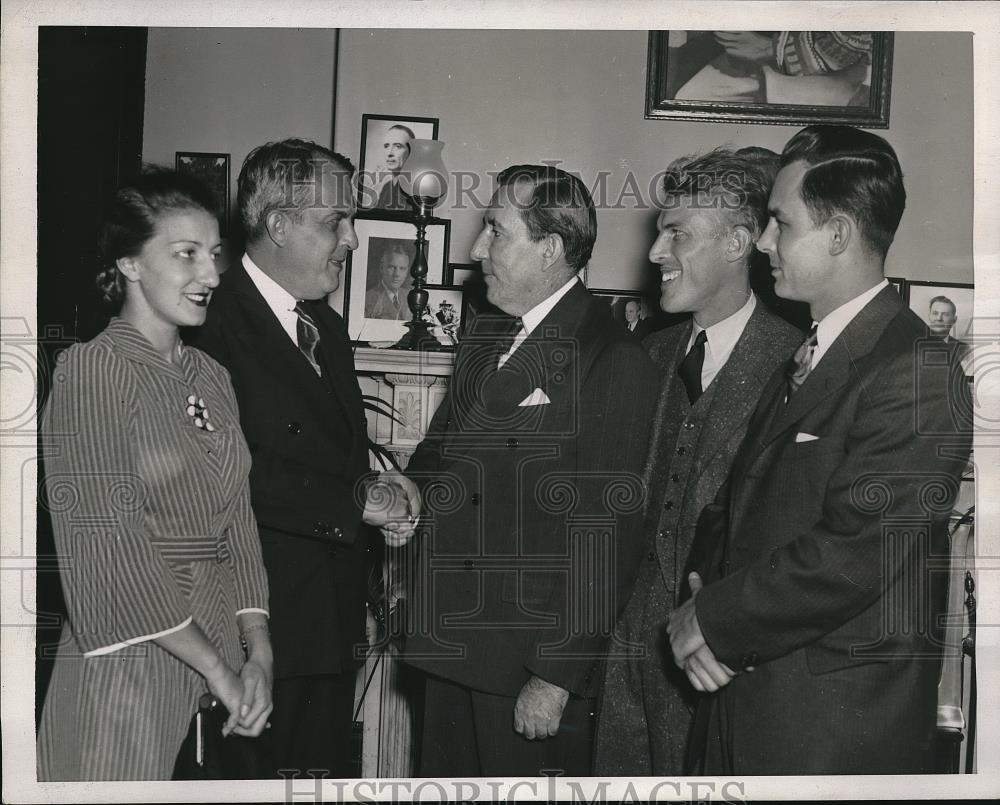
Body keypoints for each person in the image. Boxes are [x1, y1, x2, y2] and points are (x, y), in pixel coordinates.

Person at [667, 125, 972, 774]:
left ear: (836, 235)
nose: (765, 241)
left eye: (780, 222)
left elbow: (852, 553)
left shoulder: (916, 368)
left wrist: (712, 620)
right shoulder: (810, 351)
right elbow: (733, 508)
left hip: (827, 733)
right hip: (745, 704)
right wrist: (698, 600)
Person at [401, 164, 658, 777]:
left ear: (549, 249)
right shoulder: (485, 334)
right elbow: (439, 455)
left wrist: (555, 676)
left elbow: (607, 534)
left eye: (495, 230)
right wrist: (404, 488)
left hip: (525, 672)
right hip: (450, 650)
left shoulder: (614, 360)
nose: (475, 249)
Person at [187, 138, 420, 778]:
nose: (349, 239)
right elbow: (228, 469)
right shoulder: (209, 322)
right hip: (252, 631)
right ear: (278, 224)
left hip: (329, 627)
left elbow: (332, 458)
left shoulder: (326, 328)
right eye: (334, 222)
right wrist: (357, 502)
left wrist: (382, 487)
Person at [38, 169, 272, 780]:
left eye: (214, 255)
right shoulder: (93, 370)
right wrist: (218, 669)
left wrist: (258, 654)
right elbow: (108, 541)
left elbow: (238, 525)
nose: (211, 275)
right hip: (127, 666)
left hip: (215, 655)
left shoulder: (210, 376)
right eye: (186, 254)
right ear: (131, 264)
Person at [594, 148, 802, 776]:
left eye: (677, 233)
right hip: (625, 664)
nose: (656, 252)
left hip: (727, 671)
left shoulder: (796, 366)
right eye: (660, 232)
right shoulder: (647, 355)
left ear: (740, 243)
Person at [364, 242, 413, 320]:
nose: (397, 274)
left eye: (402, 268)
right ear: (381, 268)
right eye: (392, 267)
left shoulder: (411, 297)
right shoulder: (367, 299)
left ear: (407, 271)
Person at [372, 124, 414, 211]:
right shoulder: (386, 188)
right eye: (386, 146)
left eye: (398, 146)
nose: (389, 153)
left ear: (411, 152)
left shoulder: (415, 190)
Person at [927, 295, 971, 361]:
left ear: (954, 320)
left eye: (945, 314)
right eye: (935, 313)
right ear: (929, 316)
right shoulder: (912, 343)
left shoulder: (963, 349)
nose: (939, 318)